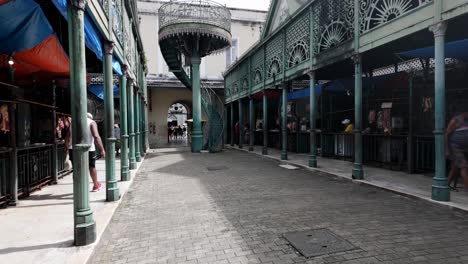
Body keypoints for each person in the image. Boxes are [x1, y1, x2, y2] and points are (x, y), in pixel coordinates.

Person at [66, 113, 105, 192]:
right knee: (92, 167)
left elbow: (67, 137)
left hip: (73, 149)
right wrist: (102, 149)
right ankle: (95, 185)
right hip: (89, 149)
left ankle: (78, 188)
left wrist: (67, 149)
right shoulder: (91, 122)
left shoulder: (73, 123)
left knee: (76, 169)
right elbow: (96, 136)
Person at [446, 112, 468, 191]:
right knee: (464, 167)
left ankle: (447, 185)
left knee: (455, 168)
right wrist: (447, 150)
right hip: (455, 148)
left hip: (465, 148)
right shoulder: (455, 120)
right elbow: (447, 135)